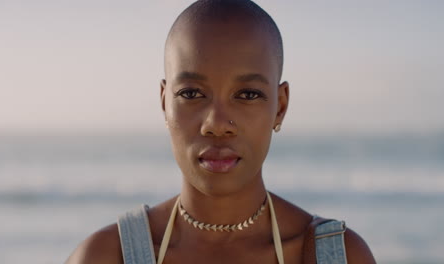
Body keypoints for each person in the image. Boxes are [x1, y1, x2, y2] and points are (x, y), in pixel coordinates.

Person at [66, 0, 376, 263]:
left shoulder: (336, 255)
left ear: (279, 107)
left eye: (247, 95)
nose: (215, 123)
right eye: (191, 94)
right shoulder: (106, 255)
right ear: (165, 103)